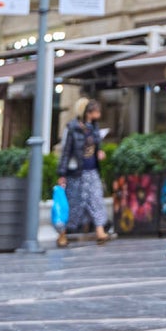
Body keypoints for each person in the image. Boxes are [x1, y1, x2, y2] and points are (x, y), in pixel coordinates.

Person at [56, 99, 111, 243]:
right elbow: (66, 152)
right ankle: (62, 233)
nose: (98, 114)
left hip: (92, 170)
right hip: (76, 172)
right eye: (95, 111)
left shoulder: (94, 127)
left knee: (96, 199)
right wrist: (62, 174)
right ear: (86, 112)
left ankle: (100, 232)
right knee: (74, 204)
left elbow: (97, 146)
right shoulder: (72, 128)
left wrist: (99, 152)